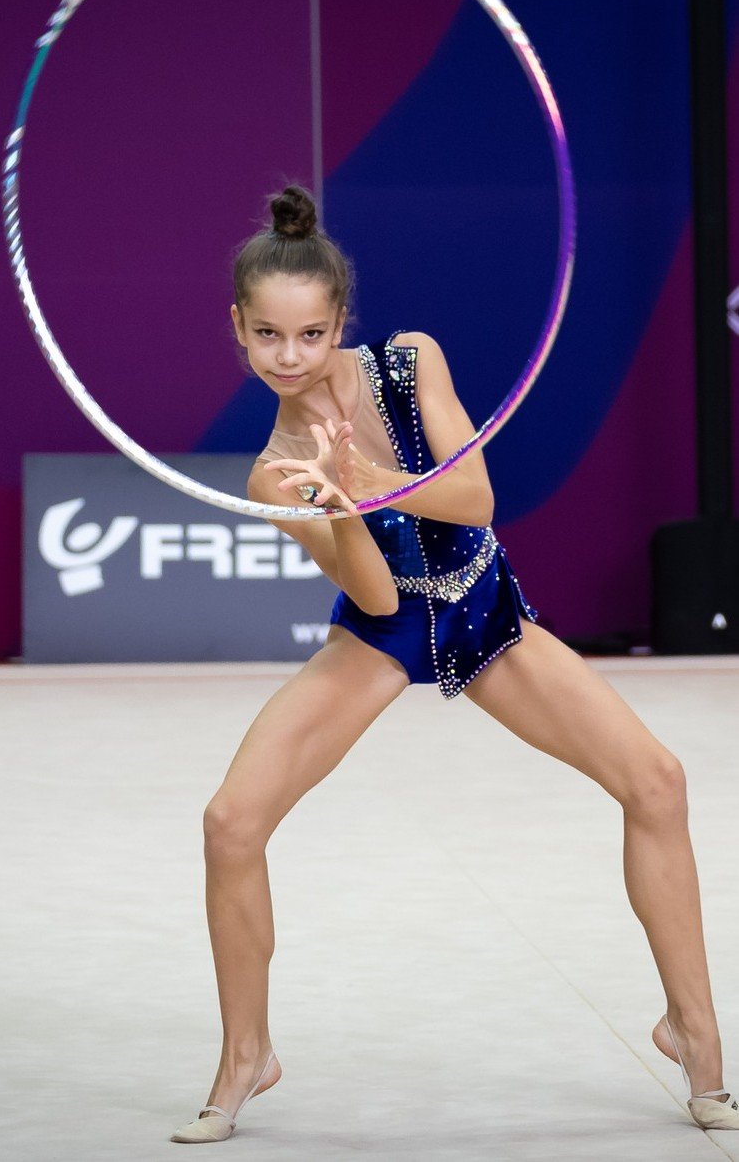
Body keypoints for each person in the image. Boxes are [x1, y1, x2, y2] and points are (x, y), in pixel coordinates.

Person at [171, 184, 738, 1143]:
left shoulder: (409, 361)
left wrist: (368, 477)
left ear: (339, 323)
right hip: (381, 632)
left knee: (657, 782)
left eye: (309, 334)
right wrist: (342, 511)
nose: (289, 356)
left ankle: (696, 1034)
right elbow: (376, 597)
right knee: (230, 823)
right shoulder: (274, 470)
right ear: (238, 327)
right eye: (267, 335)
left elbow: (474, 498)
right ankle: (246, 1056)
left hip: (480, 605)